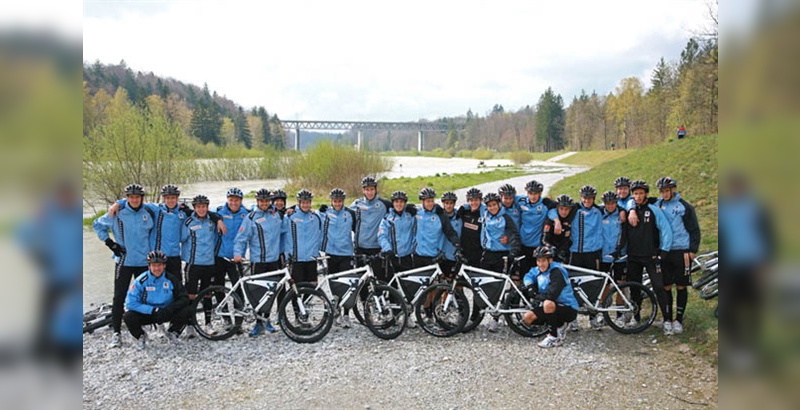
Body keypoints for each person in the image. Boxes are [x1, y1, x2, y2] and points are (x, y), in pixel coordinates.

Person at [108, 184, 226, 283]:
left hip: (174, 255)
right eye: (168, 198)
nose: (171, 200)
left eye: (173, 198)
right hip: (158, 255)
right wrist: (118, 203)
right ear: (164, 199)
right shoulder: (155, 209)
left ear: (177, 198)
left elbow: (202, 212)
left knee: (176, 285)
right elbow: (135, 201)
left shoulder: (183, 212)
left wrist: (218, 219)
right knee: (156, 283)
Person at [93, 183, 155, 348]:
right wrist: (109, 243)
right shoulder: (117, 212)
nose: (134, 200)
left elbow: (167, 207)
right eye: (131, 197)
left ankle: (140, 330)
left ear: (142, 198)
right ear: (127, 198)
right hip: (124, 261)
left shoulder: (148, 211)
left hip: (144, 262)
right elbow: (97, 225)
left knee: (143, 297)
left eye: (137, 197)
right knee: (119, 297)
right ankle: (117, 333)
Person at [612, 180, 673, 332]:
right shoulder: (627, 209)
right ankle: (636, 317)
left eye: (641, 193)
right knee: (634, 288)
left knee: (659, 287)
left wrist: (664, 251)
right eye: (635, 193)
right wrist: (618, 249)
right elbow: (623, 233)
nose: (638, 196)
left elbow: (666, 230)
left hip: (651, 256)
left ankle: (667, 320)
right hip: (633, 256)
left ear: (646, 194)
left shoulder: (653, 209)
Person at [233, 188, 288, 336]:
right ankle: (258, 323)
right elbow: (241, 238)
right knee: (258, 293)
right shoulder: (251, 218)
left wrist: (291, 214)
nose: (264, 204)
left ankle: (267, 320)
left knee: (271, 293)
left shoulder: (276, 215)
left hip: (274, 260)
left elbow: (285, 232)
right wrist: (238, 253)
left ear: (270, 202)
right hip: (258, 261)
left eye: (266, 201)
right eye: (261, 201)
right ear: (257, 202)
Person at [655, 177, 701, 335]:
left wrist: (693, 249)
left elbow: (694, 229)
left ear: (673, 190)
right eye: (662, 191)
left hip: (682, 250)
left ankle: (679, 320)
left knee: (681, 286)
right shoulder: (658, 205)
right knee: (666, 286)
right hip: (665, 250)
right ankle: (667, 318)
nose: (664, 193)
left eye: (667, 190)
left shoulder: (684, 206)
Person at [123, 250, 193, 350]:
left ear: (164, 265)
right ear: (149, 266)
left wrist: (169, 309)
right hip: (149, 312)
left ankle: (173, 332)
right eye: (154, 265)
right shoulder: (141, 281)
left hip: (166, 311)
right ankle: (140, 336)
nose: (157, 268)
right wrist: (152, 310)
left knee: (188, 309)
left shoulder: (171, 279)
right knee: (128, 316)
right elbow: (130, 303)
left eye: (159, 265)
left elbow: (184, 297)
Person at [521, 246, 579, 348]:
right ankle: (559, 325)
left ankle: (553, 337)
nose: (540, 264)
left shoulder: (557, 271)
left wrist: (536, 296)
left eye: (543, 261)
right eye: (538, 261)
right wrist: (529, 286)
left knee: (548, 303)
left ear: (550, 260)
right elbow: (528, 276)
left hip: (567, 307)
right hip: (551, 306)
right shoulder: (538, 269)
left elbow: (552, 294)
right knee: (527, 318)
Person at [181, 195, 222, 335]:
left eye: (204, 206)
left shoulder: (212, 222)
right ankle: (190, 324)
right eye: (198, 207)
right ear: (194, 208)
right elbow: (181, 239)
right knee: (191, 295)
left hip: (209, 263)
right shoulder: (188, 223)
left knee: (207, 295)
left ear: (207, 207)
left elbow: (218, 238)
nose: (201, 209)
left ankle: (208, 323)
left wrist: (219, 219)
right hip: (193, 264)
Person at [480, 192, 521, 332]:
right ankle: (480, 314)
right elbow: (471, 204)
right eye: (489, 205)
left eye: (494, 205)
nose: (492, 207)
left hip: (502, 255)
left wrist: (513, 251)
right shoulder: (484, 214)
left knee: (499, 287)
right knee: (485, 286)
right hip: (487, 254)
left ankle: (495, 319)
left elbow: (514, 234)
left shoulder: (505, 217)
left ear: (499, 204)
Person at [319, 188, 357, 328]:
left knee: (346, 285)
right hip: (331, 254)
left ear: (343, 201)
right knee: (334, 285)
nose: (337, 203)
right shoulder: (325, 213)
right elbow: (305, 210)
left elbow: (357, 230)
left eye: (340, 201)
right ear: (331, 201)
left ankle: (347, 315)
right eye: (335, 201)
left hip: (346, 253)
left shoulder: (350, 214)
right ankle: (337, 313)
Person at [215, 188, 250, 310]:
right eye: (231, 200)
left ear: (241, 201)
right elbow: (201, 212)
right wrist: (218, 220)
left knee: (238, 287)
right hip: (220, 256)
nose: (233, 203)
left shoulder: (247, 214)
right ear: (227, 200)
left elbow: (262, 208)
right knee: (219, 286)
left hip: (236, 257)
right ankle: (224, 315)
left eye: (236, 200)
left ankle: (239, 319)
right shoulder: (219, 211)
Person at [350, 176, 392, 276]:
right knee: (361, 281)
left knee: (380, 279)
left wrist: (409, 209)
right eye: (367, 190)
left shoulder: (384, 204)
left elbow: (399, 208)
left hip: (377, 248)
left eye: (372, 189)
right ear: (363, 190)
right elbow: (344, 217)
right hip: (360, 248)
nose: (370, 192)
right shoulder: (356, 204)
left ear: (375, 189)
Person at [599, 191, 628, 327]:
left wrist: (619, 249)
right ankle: (604, 313)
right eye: (607, 203)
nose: (610, 206)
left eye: (613, 203)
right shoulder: (599, 212)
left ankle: (620, 315)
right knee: (604, 285)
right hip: (604, 255)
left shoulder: (622, 214)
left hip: (620, 256)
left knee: (620, 285)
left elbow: (625, 233)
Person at [517, 180, 557, 276]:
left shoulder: (545, 204)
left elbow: (553, 211)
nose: (533, 196)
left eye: (536, 193)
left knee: (538, 274)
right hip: (523, 244)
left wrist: (557, 221)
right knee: (524, 273)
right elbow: (506, 200)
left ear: (540, 193)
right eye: (530, 193)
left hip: (537, 246)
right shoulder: (520, 201)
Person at [413, 188, 460, 268]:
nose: (430, 203)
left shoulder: (440, 215)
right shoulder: (417, 214)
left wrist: (457, 243)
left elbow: (449, 232)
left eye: (432, 201)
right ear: (422, 202)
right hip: (418, 255)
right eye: (428, 201)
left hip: (433, 256)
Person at [378, 191, 417, 281]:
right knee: (392, 288)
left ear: (405, 203)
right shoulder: (387, 218)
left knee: (409, 287)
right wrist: (387, 249)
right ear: (393, 203)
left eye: (401, 202)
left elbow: (416, 233)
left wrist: (413, 249)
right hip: (392, 257)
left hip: (407, 258)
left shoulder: (410, 216)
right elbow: (382, 236)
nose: (399, 204)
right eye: (396, 202)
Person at [287, 189, 323, 284]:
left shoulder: (316, 217)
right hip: (296, 259)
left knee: (311, 288)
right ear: (299, 203)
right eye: (303, 202)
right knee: (297, 289)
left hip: (311, 258)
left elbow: (324, 231)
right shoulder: (291, 217)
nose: (305, 205)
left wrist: (318, 251)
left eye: (307, 202)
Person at [542, 194, 575, 263]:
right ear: (557, 208)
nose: (564, 212)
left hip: (564, 253)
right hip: (549, 254)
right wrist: (551, 248)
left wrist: (562, 251)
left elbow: (566, 241)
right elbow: (544, 239)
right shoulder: (550, 221)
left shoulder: (569, 220)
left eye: (566, 209)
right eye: (561, 209)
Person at [457, 188, 485, 267]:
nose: (474, 203)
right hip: (464, 251)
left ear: (480, 200)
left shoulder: (484, 214)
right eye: (471, 200)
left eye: (476, 200)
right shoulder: (464, 212)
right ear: (468, 201)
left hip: (478, 252)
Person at [439, 191, 462, 277]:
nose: (449, 206)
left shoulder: (460, 215)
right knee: (443, 284)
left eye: (451, 203)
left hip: (455, 254)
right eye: (446, 203)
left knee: (456, 283)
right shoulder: (439, 215)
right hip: (442, 255)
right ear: (443, 203)